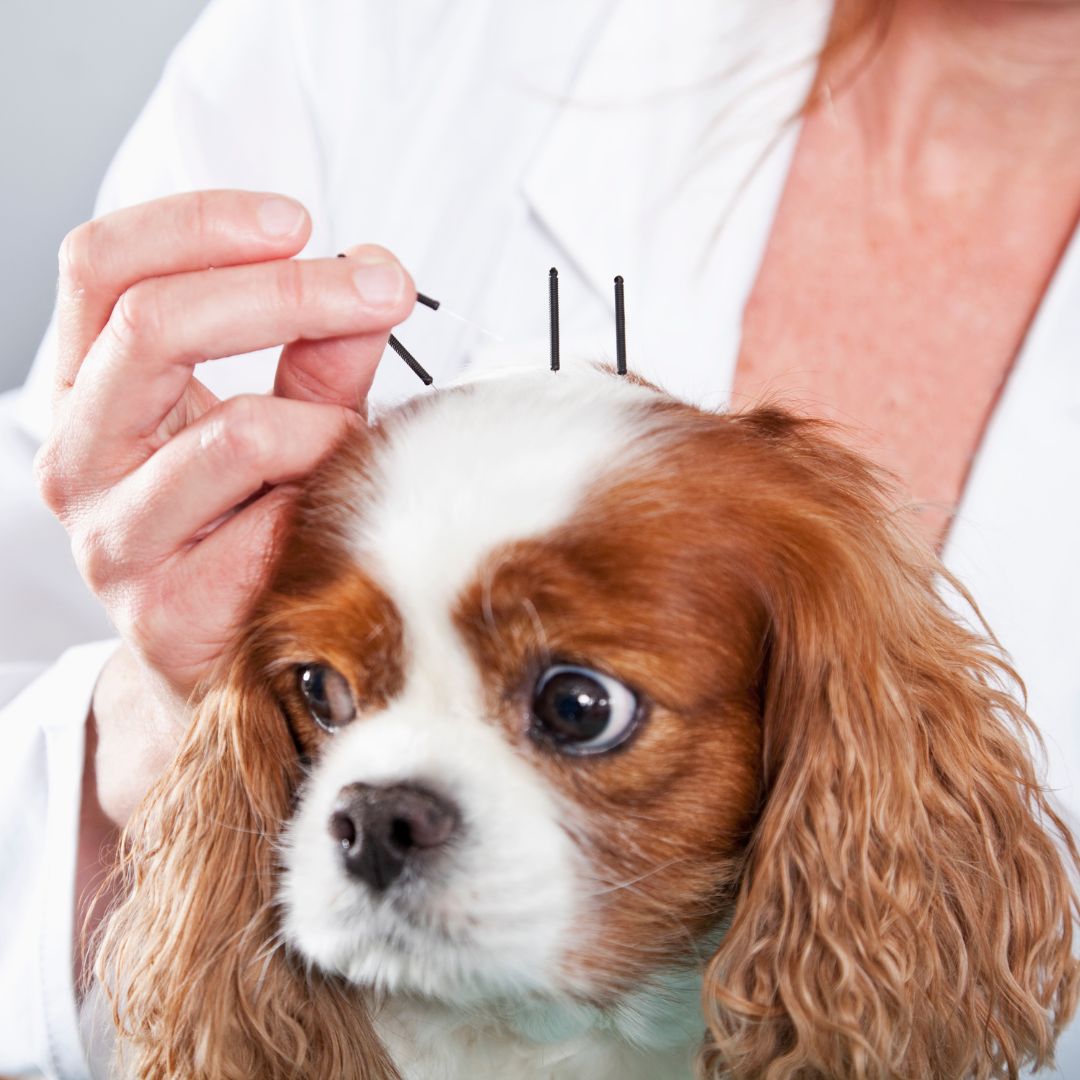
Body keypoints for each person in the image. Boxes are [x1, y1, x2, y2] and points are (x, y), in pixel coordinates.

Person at [2, 0, 1078, 1075]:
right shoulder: (379, 38)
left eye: (577, 710)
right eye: (325, 695)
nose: (383, 812)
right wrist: (154, 725)